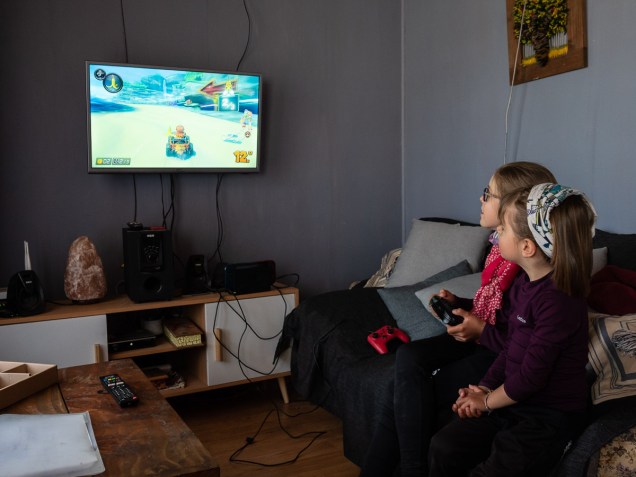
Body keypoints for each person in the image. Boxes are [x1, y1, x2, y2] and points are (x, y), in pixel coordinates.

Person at [359, 162, 557, 477]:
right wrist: (461, 305)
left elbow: (519, 342)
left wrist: (481, 332)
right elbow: (494, 306)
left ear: (513, 207)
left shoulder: (529, 268)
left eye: (488, 194)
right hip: (483, 337)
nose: (481, 199)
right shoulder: (500, 252)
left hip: (492, 348)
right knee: (406, 361)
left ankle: (412, 469)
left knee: (403, 392)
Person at [427, 183, 597, 476]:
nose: (496, 234)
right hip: (513, 400)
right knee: (444, 446)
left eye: (502, 229)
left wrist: (486, 402)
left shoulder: (560, 301)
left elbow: (531, 377)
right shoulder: (524, 284)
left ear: (527, 247)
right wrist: (483, 387)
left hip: (547, 416)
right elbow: (511, 348)